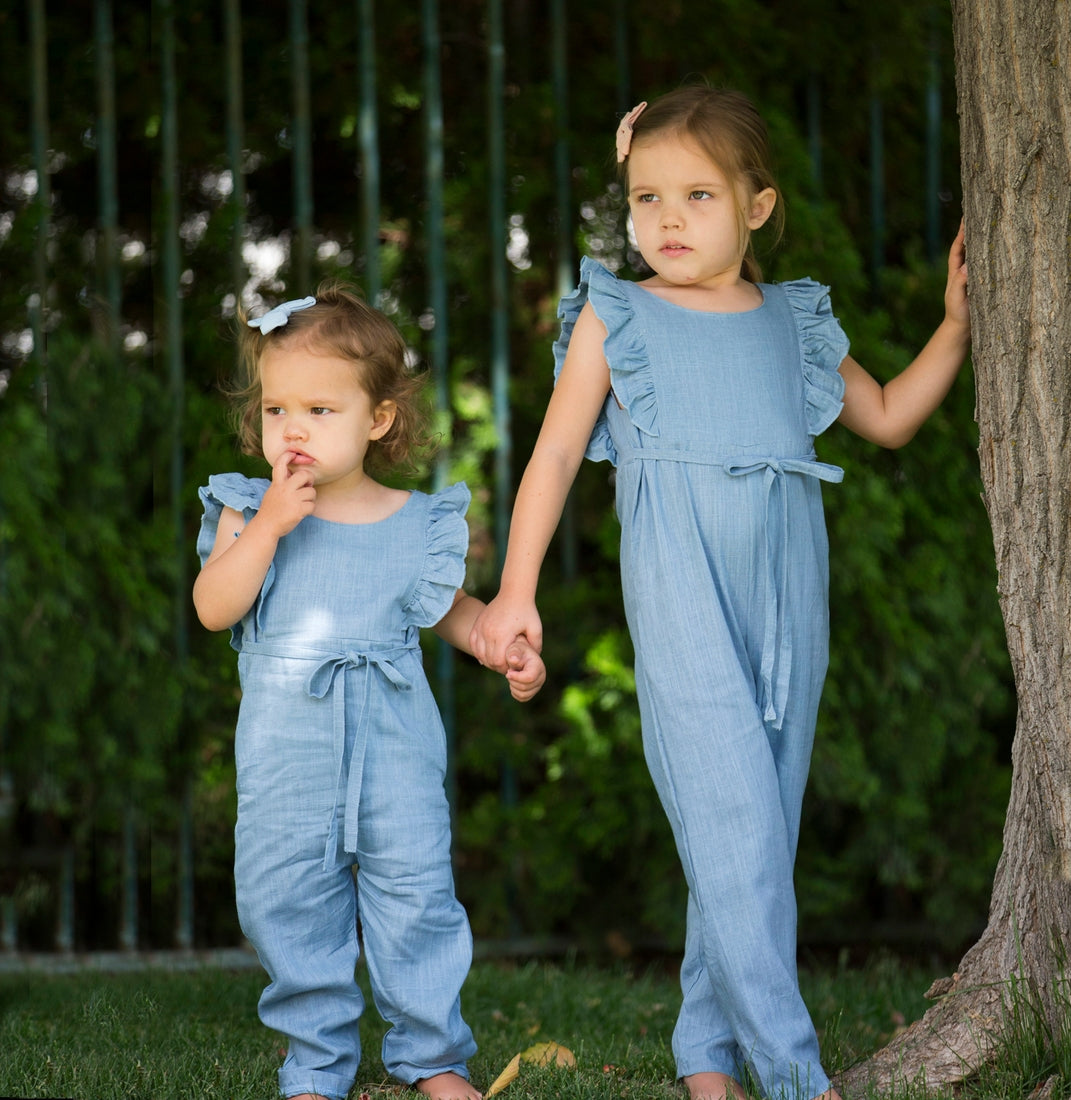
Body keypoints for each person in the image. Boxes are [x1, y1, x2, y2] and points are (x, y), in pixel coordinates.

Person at [470, 86, 969, 1100]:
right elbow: (556, 451)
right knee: (732, 818)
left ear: (755, 205)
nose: (664, 218)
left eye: (696, 194)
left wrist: (956, 327)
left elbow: (883, 416)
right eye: (645, 194)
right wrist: (513, 590)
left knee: (753, 828)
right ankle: (794, 1076)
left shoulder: (790, 318)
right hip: (680, 590)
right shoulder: (619, 314)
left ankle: (704, 1057)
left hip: (791, 595)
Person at [193, 282, 545, 1100]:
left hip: (395, 753)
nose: (294, 430)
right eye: (277, 410)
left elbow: (448, 610)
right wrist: (274, 525)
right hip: (288, 763)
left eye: (320, 410)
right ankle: (314, 1062)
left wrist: (499, 642)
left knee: (416, 897)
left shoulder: (415, 521)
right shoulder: (246, 509)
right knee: (288, 903)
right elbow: (215, 607)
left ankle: (433, 1057)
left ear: (377, 419)